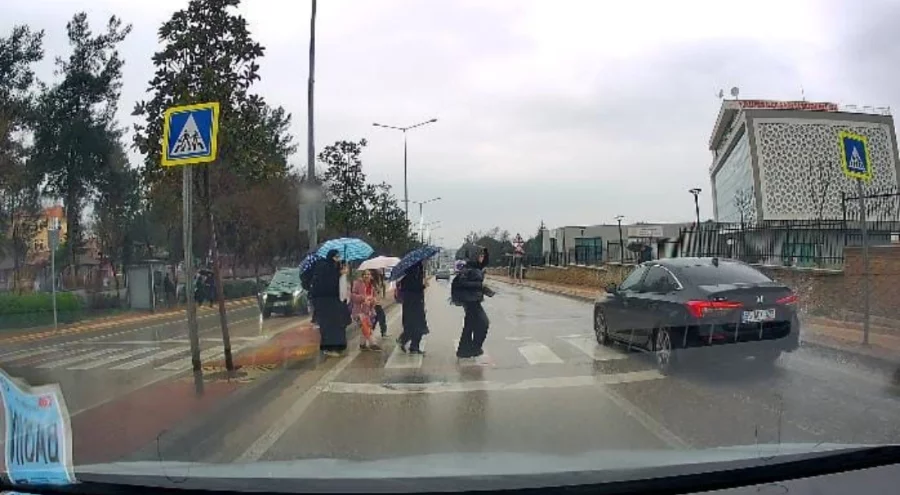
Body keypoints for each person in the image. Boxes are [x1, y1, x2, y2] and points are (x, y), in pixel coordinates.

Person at [452, 247, 493, 359]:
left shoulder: (477, 267)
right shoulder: (468, 268)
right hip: (470, 301)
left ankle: (464, 350)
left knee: (470, 326)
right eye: (480, 255)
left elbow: (474, 284)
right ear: (475, 256)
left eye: (483, 256)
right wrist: (480, 286)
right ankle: (474, 348)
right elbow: (462, 283)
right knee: (483, 323)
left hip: (473, 299)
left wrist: (484, 290)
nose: (482, 258)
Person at [311, 250, 348, 356]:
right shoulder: (325, 268)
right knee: (329, 326)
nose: (338, 259)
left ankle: (337, 347)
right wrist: (339, 274)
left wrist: (342, 273)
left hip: (335, 302)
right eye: (336, 257)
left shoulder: (335, 268)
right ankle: (329, 349)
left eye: (338, 257)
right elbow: (328, 284)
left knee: (337, 325)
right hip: (326, 303)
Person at [397, 261, 428, 354]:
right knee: (416, 325)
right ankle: (405, 341)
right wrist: (423, 286)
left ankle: (413, 346)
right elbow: (413, 287)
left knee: (415, 325)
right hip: (413, 302)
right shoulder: (412, 272)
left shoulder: (411, 271)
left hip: (413, 302)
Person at [352, 269, 382, 351]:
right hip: (359, 311)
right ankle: (373, 344)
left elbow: (375, 297)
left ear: (371, 276)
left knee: (365, 328)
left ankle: (362, 345)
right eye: (365, 274)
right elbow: (353, 296)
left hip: (368, 311)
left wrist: (373, 300)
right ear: (362, 276)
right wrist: (363, 298)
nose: (367, 276)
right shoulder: (357, 283)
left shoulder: (372, 286)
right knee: (366, 327)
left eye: (368, 274)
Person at [372, 270, 388, 338]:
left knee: (377, 318)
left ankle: (371, 331)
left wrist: (383, 285)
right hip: (374, 303)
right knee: (380, 317)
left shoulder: (379, 280)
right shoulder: (372, 282)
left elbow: (382, 290)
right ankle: (382, 332)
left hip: (378, 302)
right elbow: (375, 291)